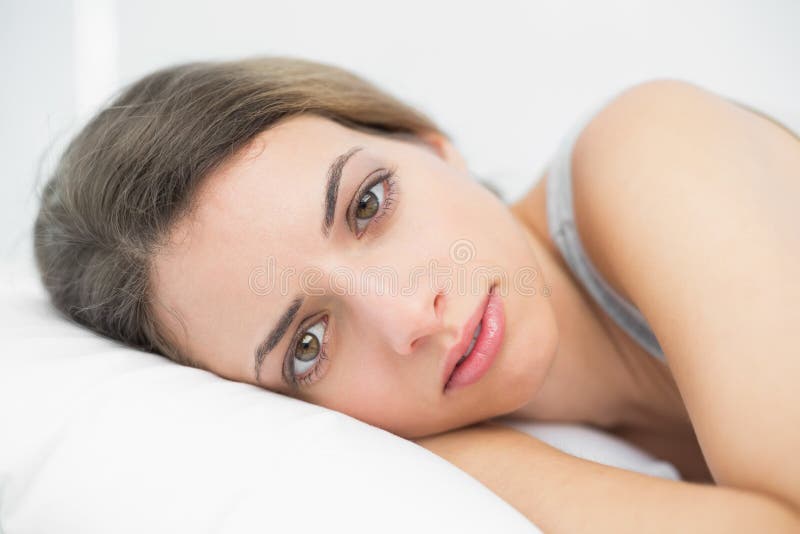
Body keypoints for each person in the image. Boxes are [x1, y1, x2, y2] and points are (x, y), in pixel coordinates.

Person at [34, 56, 800, 530]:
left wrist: (484, 459)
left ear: (431, 144)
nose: (407, 315)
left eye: (366, 205)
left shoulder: (650, 149)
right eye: (309, 345)